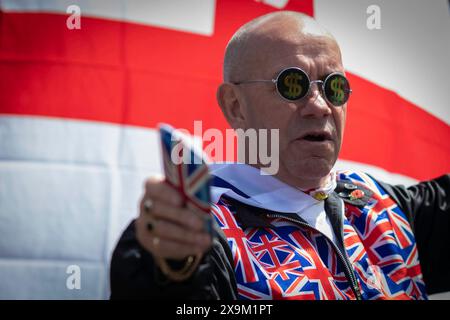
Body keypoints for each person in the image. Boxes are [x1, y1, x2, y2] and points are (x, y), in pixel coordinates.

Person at [110, 11, 449, 300]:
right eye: (292, 85)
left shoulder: (387, 207)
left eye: (334, 87)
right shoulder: (201, 228)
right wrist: (172, 266)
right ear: (235, 106)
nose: (319, 106)